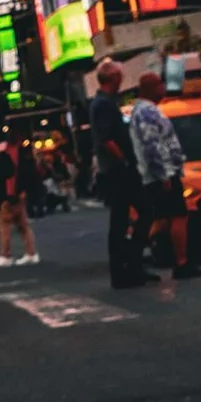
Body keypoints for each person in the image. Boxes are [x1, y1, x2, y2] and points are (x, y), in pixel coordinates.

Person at [124, 74, 198, 294]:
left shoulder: (144, 111)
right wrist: (164, 173)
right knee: (177, 215)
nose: (163, 88)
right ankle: (182, 262)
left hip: (158, 173)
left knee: (161, 219)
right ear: (150, 88)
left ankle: (132, 254)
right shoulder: (146, 112)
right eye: (160, 84)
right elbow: (152, 145)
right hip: (160, 174)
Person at [86, 63, 147, 291]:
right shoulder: (103, 105)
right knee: (129, 216)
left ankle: (131, 265)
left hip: (116, 169)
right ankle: (126, 267)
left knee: (126, 217)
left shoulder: (106, 102)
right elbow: (106, 138)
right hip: (117, 171)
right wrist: (124, 160)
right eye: (119, 77)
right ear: (113, 78)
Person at [0, 134, 39, 267]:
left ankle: (5, 255)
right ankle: (31, 253)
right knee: (23, 225)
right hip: (18, 192)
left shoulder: (2, 154)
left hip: (7, 193)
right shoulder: (22, 153)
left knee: (4, 225)